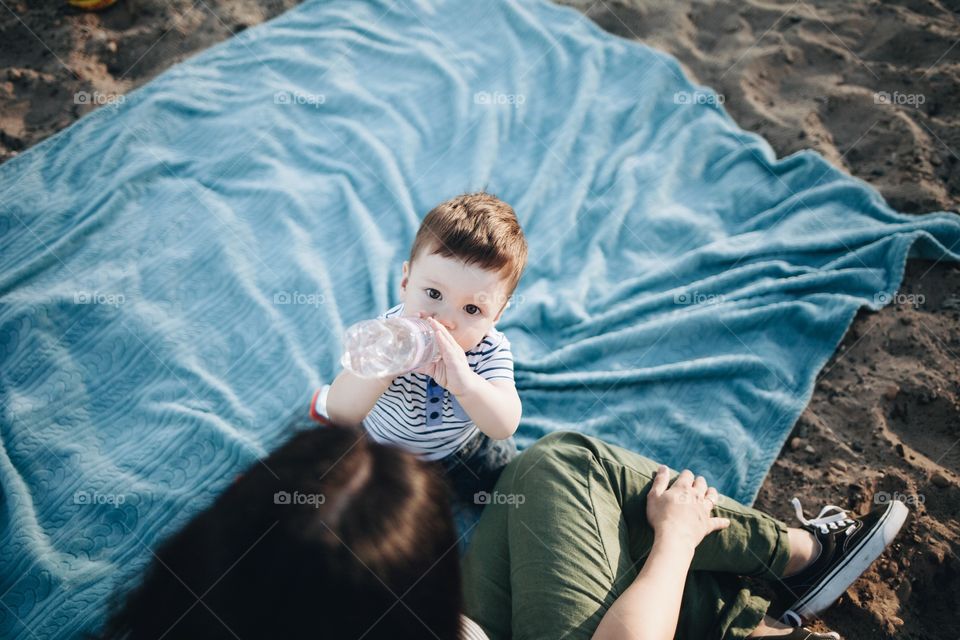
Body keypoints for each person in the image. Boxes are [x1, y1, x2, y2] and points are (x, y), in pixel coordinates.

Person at [100, 422, 908, 640]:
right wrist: (677, 542)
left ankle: (776, 586)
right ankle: (797, 562)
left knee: (539, 478)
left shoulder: (186, 611)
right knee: (572, 468)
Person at [311, 191, 528, 505]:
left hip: (460, 451)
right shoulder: (389, 335)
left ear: (496, 315)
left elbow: (504, 423)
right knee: (359, 494)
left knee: (503, 485)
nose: (445, 320)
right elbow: (342, 411)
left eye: (471, 310)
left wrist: (466, 384)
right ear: (405, 283)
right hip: (384, 448)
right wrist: (381, 370)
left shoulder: (490, 350)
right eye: (433, 294)